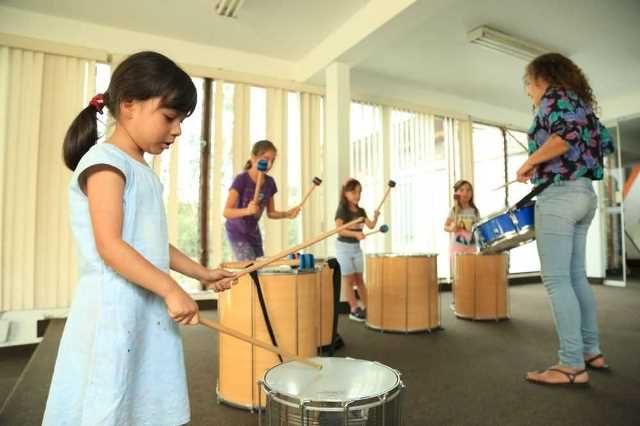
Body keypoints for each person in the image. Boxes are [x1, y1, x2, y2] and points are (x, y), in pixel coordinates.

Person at [43, 51, 235, 425]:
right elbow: (111, 246)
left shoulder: (141, 169)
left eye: (181, 121)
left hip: (143, 307)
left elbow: (149, 243)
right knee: (107, 398)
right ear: (129, 105)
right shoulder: (105, 162)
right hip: (113, 309)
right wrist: (170, 289)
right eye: (169, 117)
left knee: (141, 401)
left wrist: (202, 274)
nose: (177, 130)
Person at [517, 53, 613, 386]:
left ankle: (570, 364)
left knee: (557, 280)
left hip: (559, 196)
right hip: (585, 193)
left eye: (528, 85)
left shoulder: (554, 98)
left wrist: (530, 162)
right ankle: (591, 351)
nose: (528, 92)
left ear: (540, 78)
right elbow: (604, 144)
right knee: (575, 277)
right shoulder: (582, 106)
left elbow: (564, 138)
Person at [223, 140, 300, 260]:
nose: (269, 164)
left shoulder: (270, 183)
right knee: (249, 266)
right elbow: (226, 212)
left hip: (253, 231)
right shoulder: (241, 180)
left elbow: (271, 213)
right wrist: (247, 211)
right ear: (253, 158)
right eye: (266, 159)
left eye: (272, 160)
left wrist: (287, 214)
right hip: (237, 231)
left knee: (260, 265)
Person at [334, 178, 380, 321]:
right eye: (353, 192)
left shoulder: (361, 211)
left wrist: (376, 217)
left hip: (356, 248)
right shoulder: (342, 209)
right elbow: (339, 230)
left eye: (359, 192)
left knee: (359, 279)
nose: (357, 195)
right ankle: (354, 309)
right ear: (345, 193)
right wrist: (355, 234)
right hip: (343, 248)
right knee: (349, 280)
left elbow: (371, 226)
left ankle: (368, 308)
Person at [444, 179, 480, 309]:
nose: (465, 192)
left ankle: (469, 299)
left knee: (470, 274)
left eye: (468, 190)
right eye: (462, 190)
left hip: (471, 246)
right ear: (457, 193)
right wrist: (452, 228)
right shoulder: (454, 210)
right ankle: (456, 301)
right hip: (457, 247)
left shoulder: (474, 211)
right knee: (458, 276)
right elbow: (445, 226)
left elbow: (478, 227)